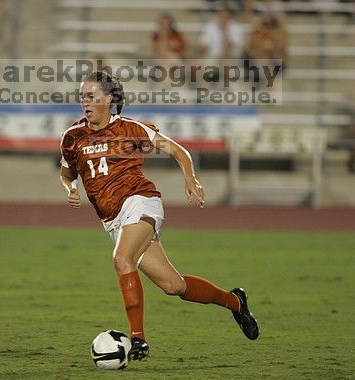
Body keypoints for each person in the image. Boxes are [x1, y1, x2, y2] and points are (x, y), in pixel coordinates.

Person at [59, 71, 259, 360]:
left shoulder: (130, 129)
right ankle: (235, 303)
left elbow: (177, 150)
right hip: (113, 220)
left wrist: (190, 178)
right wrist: (70, 187)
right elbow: (66, 173)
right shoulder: (72, 137)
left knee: (120, 259)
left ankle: (138, 340)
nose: (84, 102)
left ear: (109, 98)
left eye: (91, 96)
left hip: (141, 202)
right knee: (174, 286)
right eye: (82, 97)